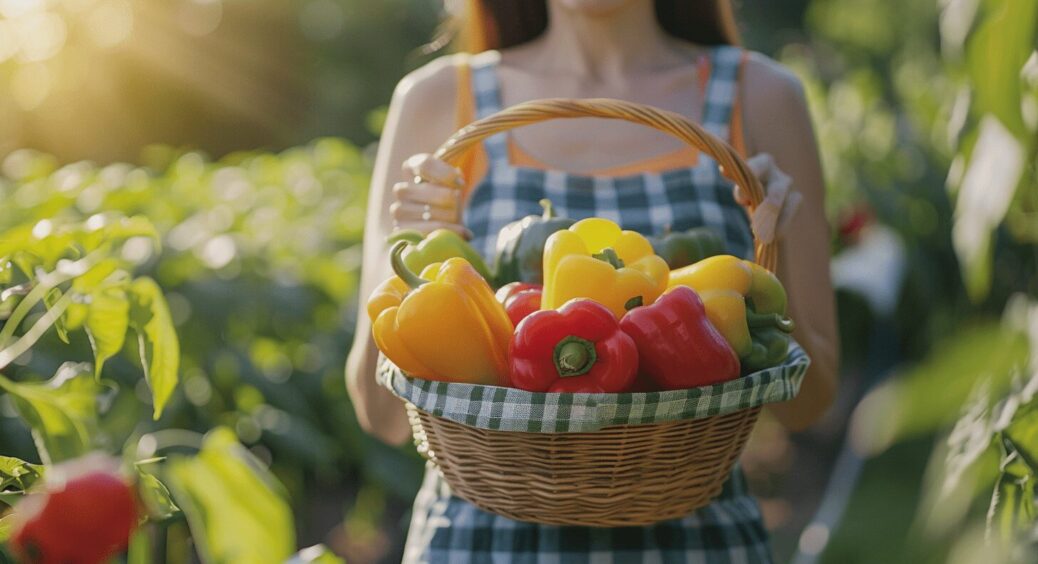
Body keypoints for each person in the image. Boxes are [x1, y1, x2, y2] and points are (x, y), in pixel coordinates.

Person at [346, 0, 839, 561]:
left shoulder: (761, 96)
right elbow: (382, 417)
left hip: (695, 543)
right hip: (477, 544)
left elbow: (810, 403)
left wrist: (779, 243)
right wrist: (409, 249)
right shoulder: (438, 99)